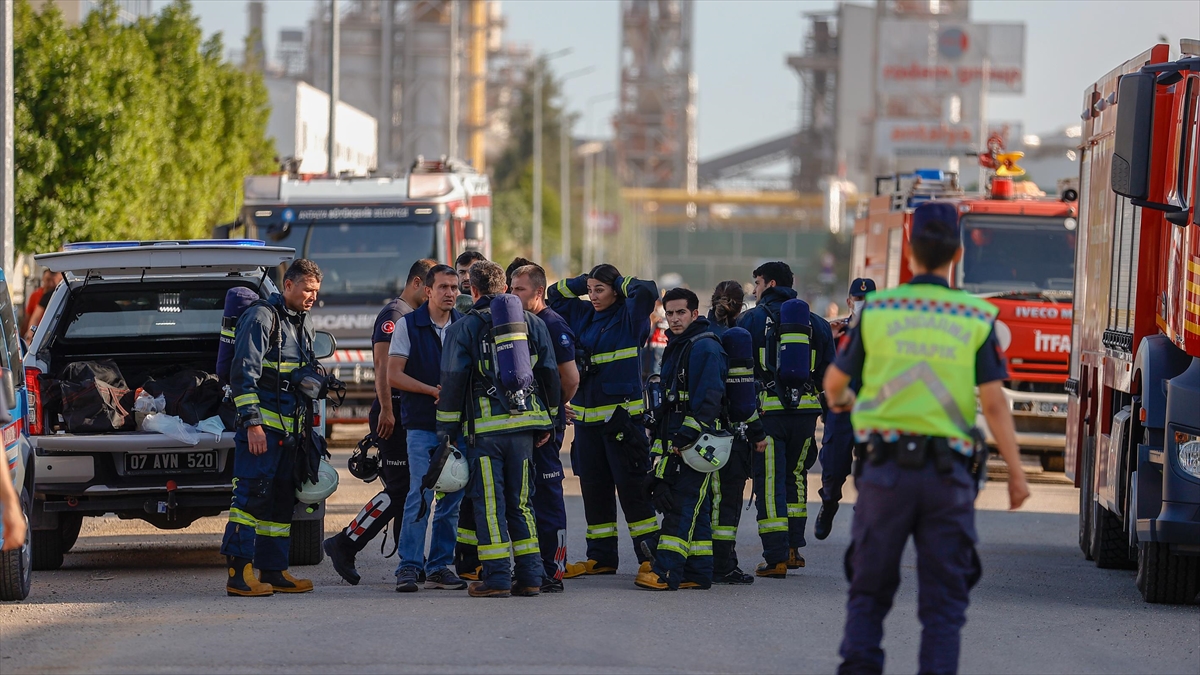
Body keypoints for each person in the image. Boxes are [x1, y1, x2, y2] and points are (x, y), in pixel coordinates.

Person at [824, 201, 1030, 675]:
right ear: (957, 253)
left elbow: (835, 386)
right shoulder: (975, 316)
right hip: (948, 477)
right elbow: (995, 404)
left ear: (910, 252)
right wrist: (1017, 476)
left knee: (869, 590)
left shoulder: (878, 312)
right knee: (943, 602)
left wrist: (850, 408)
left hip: (886, 473)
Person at [436, 260, 562, 597]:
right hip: (525, 429)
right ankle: (532, 577)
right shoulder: (532, 323)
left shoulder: (463, 329)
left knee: (489, 505)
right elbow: (550, 373)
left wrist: (445, 435)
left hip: (485, 434)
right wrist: (550, 420)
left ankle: (496, 579)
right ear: (504, 287)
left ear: (472, 290)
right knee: (522, 503)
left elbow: (452, 382)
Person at [324, 258, 436, 584]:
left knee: (409, 488)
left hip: (405, 412)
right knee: (401, 489)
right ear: (417, 283)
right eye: (429, 288)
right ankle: (345, 543)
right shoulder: (395, 315)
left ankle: (410, 561)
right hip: (393, 413)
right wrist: (387, 410)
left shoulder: (412, 317)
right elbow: (382, 366)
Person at [549, 264, 660, 577]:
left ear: (615, 290)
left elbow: (647, 290)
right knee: (594, 492)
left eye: (601, 290)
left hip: (622, 425)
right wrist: (583, 281)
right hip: (587, 427)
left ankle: (651, 555)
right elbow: (554, 295)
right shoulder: (583, 314)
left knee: (633, 490)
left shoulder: (630, 316)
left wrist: (619, 281)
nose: (594, 296)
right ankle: (601, 557)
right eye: (591, 290)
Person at [222, 259, 322, 597]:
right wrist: (251, 423)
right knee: (250, 498)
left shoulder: (302, 324)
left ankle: (274, 570)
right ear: (289, 285)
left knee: (280, 502)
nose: (312, 297)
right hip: (262, 429)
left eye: (316, 292)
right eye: (308, 290)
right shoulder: (261, 317)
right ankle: (239, 573)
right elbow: (243, 373)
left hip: (290, 433)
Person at [736, 261, 834, 577]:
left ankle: (775, 556)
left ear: (771, 283)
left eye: (757, 282)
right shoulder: (817, 324)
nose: (754, 289)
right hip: (806, 415)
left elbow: (738, 372)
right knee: (795, 477)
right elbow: (830, 376)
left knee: (769, 482)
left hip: (768, 414)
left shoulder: (750, 320)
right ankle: (793, 550)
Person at [636, 288, 724, 591]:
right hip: (680, 440)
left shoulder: (704, 347)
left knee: (682, 504)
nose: (674, 319)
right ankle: (697, 571)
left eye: (680, 313)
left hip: (696, 442)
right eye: (669, 313)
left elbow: (709, 398)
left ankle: (666, 571)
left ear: (695, 314)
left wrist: (685, 436)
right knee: (693, 505)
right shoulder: (680, 344)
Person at [389, 264, 468, 593]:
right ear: (428, 291)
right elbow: (394, 375)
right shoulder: (408, 325)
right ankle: (409, 566)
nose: (451, 293)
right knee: (420, 494)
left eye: (455, 287)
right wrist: (432, 391)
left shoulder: (464, 326)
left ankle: (439, 565)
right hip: (422, 424)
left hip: (458, 426)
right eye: (444, 287)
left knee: (452, 496)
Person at [507, 262, 581, 592]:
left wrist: (552, 412)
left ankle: (554, 570)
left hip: (546, 431)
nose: (512, 293)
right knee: (527, 500)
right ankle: (533, 567)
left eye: (519, 289)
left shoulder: (551, 325)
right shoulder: (521, 323)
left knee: (548, 503)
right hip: (528, 429)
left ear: (538, 292)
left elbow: (570, 379)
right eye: (510, 287)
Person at [705, 280, 765, 585]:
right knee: (727, 504)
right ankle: (724, 564)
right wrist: (758, 434)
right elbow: (743, 400)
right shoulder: (739, 338)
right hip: (733, 435)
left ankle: (701, 560)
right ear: (741, 307)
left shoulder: (699, 333)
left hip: (699, 434)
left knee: (703, 501)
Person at [814, 277, 876, 541]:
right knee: (834, 469)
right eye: (859, 300)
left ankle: (865, 519)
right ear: (849, 301)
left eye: (868, 300)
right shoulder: (836, 332)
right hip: (840, 413)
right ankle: (828, 504)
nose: (863, 304)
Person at [23, 270, 62, 342]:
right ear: (43, 280)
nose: (50, 284)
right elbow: (33, 318)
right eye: (48, 280)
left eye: (53, 281)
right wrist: (28, 335)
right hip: (39, 334)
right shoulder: (39, 295)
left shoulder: (63, 294)